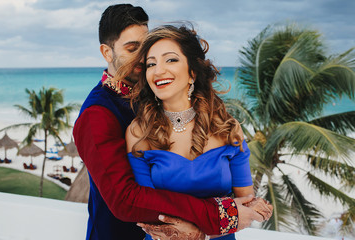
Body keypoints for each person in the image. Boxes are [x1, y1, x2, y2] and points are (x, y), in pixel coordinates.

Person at [73, 4, 272, 240]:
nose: (142, 57)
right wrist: (214, 215)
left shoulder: (151, 98)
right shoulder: (97, 115)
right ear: (107, 53)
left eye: (144, 47)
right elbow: (124, 200)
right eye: (131, 48)